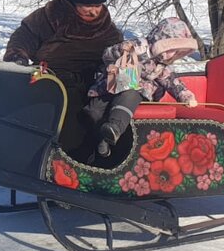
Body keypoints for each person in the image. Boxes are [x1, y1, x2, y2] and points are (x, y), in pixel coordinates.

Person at [3, 0, 123, 151]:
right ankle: (57, 156)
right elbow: (24, 36)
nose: (94, 12)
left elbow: (118, 52)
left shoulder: (106, 26)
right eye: (87, 6)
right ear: (75, 2)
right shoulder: (52, 15)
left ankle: (94, 157)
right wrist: (17, 57)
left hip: (94, 81)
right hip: (54, 77)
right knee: (69, 114)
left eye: (98, 6)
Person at [85, 16, 201, 159]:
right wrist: (121, 51)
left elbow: (172, 82)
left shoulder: (161, 67)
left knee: (130, 95)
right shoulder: (138, 46)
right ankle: (100, 141)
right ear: (161, 42)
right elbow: (107, 55)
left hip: (134, 91)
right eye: (170, 49)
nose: (171, 54)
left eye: (176, 52)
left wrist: (186, 95)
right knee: (94, 111)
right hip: (113, 84)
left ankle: (115, 127)